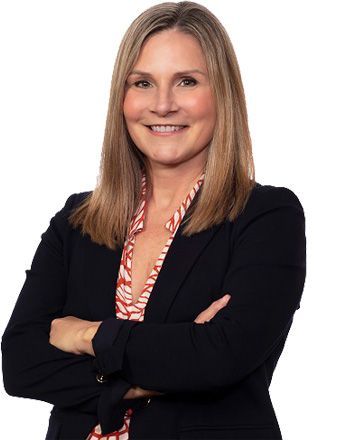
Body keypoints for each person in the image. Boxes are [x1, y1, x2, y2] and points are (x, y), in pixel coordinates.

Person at [1, 1, 306, 439]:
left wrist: (87, 335)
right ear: (121, 99)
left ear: (222, 92)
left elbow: (223, 356)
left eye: (186, 81)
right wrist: (175, 357)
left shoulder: (266, 217)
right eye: (142, 83)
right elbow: (20, 363)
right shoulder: (76, 221)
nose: (162, 105)